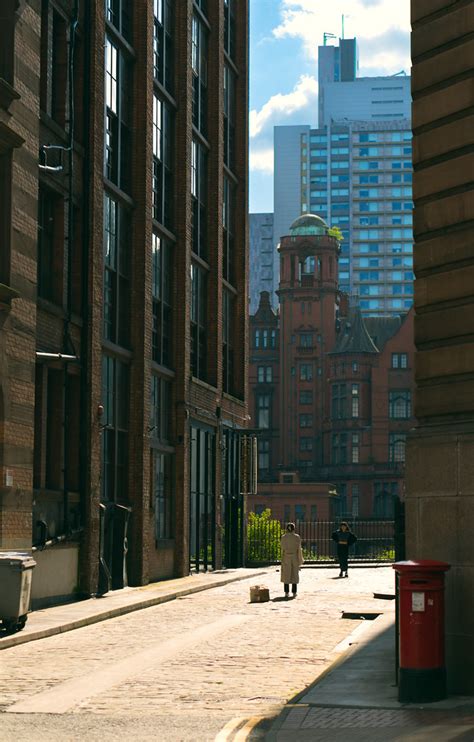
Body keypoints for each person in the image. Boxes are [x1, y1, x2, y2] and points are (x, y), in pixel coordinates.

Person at [280, 522, 304, 598]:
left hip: (286, 557)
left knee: (286, 574)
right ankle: (294, 592)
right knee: (294, 574)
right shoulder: (297, 537)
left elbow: (282, 549)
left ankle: (286, 592)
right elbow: (299, 549)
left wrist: (282, 558)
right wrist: (300, 560)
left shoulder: (283, 537)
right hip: (294, 557)